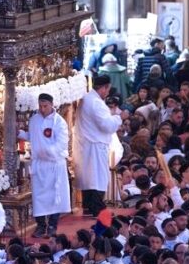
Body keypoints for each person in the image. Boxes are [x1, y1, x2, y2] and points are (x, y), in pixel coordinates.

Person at [74, 75, 128, 216]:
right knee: (97, 178)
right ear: (104, 88)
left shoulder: (87, 99)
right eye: (107, 89)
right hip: (94, 145)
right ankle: (97, 208)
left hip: (87, 144)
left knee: (89, 177)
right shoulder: (96, 103)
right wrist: (119, 117)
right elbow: (107, 125)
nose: (108, 92)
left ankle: (88, 205)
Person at [20, 93, 70, 238]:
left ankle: (53, 225)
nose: (42, 109)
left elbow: (61, 143)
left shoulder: (59, 122)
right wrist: (21, 134)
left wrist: (46, 151)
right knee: (39, 197)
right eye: (40, 106)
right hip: (39, 164)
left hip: (54, 164)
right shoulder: (34, 120)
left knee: (55, 196)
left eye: (45, 106)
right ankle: (41, 226)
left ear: (51, 104)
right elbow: (32, 136)